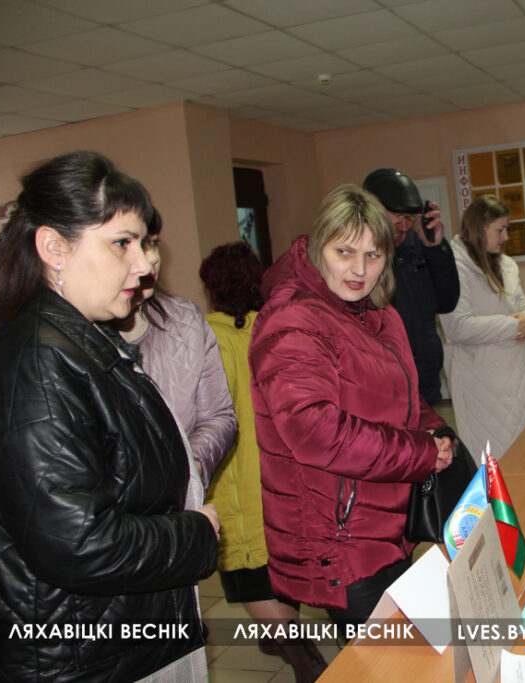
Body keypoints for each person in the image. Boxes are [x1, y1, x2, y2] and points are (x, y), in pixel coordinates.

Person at [0, 151, 218, 681]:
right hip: (81, 658)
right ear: (53, 248)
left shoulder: (79, 341)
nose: (145, 265)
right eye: (121, 243)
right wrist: (196, 533)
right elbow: (80, 545)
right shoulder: (33, 363)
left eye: (143, 243)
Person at [249, 184, 455, 628]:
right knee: (388, 658)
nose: (359, 270)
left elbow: (403, 396)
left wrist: (435, 430)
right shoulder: (293, 320)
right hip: (338, 540)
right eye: (344, 252)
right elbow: (316, 432)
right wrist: (420, 453)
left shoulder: (378, 312)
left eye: (373, 255)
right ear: (317, 247)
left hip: (387, 523)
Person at [200, 243, 327, 682]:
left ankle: (306, 660)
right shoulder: (274, 327)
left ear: (212, 288)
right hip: (286, 471)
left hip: (237, 479)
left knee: (247, 577)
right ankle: (280, 639)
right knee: (282, 564)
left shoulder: (209, 338)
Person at [110, 209, 236, 489]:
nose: (150, 259)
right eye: (129, 244)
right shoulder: (75, 330)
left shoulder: (184, 319)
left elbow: (218, 416)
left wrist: (189, 470)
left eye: (152, 243)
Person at [440, 195, 525, 457]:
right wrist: (513, 325)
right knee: (495, 457)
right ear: (480, 228)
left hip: (519, 378)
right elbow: (457, 326)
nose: (506, 237)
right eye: (500, 229)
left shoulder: (507, 265)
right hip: (481, 383)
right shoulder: (454, 267)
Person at [363, 168, 459, 405]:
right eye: (397, 217)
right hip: (379, 384)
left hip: (424, 380)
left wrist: (435, 249)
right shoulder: (357, 257)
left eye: (410, 218)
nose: (405, 226)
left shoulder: (420, 247)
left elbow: (447, 301)